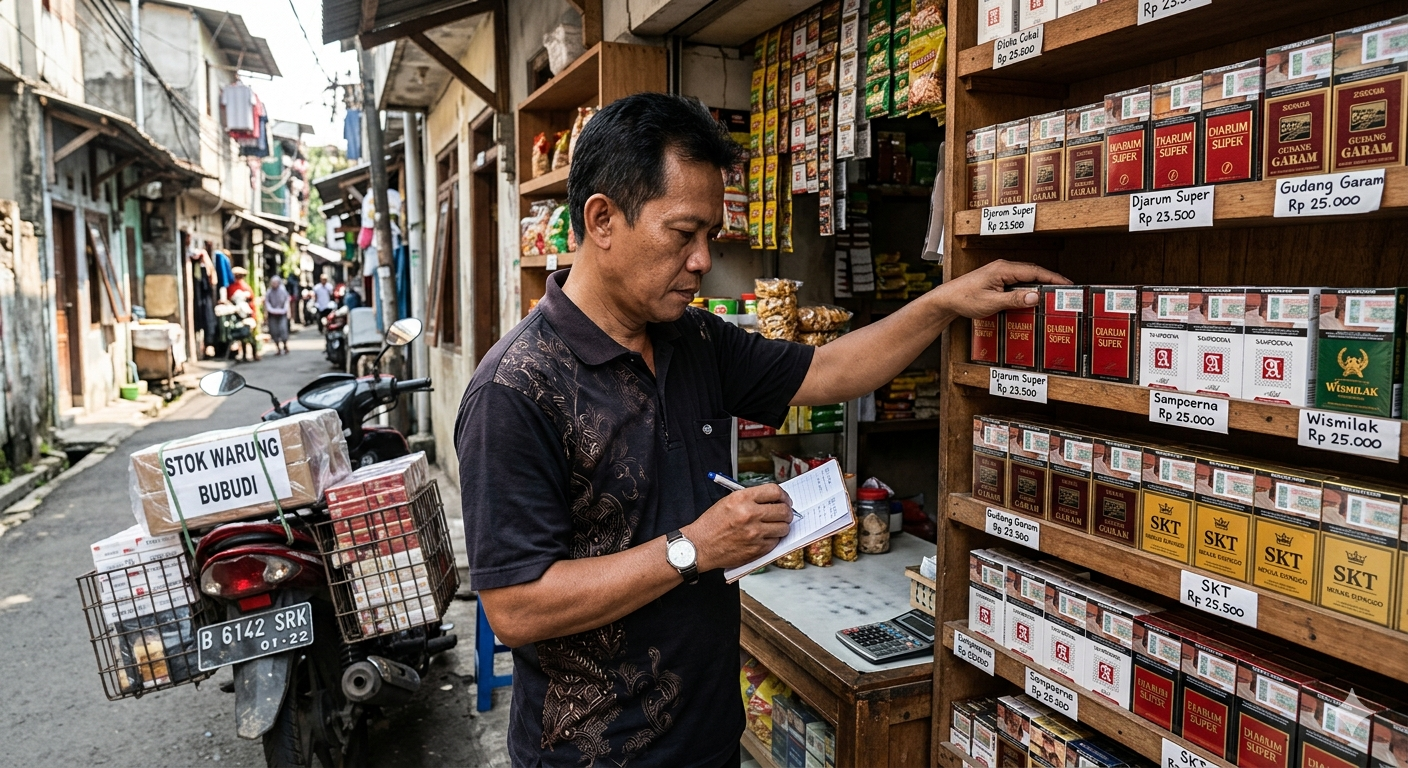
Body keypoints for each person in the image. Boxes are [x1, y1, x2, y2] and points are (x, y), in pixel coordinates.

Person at [454, 93, 1068, 767]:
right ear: (602, 219)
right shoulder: (515, 390)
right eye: (683, 233)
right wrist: (695, 547)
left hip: (710, 739)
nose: (701, 260)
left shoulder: (692, 339)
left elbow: (827, 370)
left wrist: (944, 303)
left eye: (710, 235)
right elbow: (516, 606)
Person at [264, 276, 291, 355]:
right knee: (274, 331)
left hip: (282, 314)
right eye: (273, 283)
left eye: (275, 283)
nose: (274, 284)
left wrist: (286, 311)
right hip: (272, 315)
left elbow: (287, 301)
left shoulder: (283, 291)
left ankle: (285, 345)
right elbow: (267, 303)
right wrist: (269, 311)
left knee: (283, 329)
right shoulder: (269, 292)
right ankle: (278, 348)